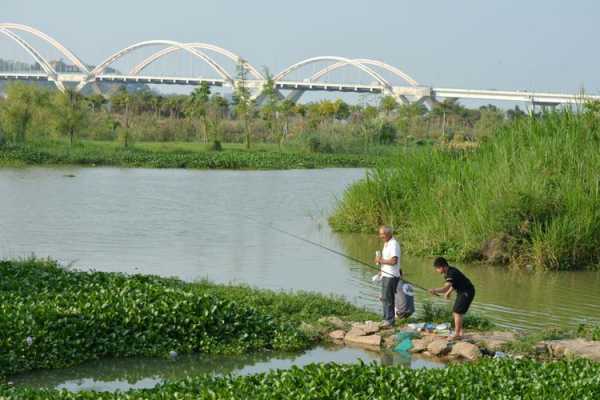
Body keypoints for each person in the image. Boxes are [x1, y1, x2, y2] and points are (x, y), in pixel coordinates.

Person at [428, 257, 475, 339]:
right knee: (456, 312)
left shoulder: (451, 273)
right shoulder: (448, 272)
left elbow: (445, 288)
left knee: (457, 312)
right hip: (462, 291)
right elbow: (454, 284)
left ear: (442, 267)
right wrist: (448, 292)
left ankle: (457, 334)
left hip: (467, 292)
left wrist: (434, 290)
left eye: (437, 268)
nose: (437, 270)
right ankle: (460, 332)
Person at [374, 226, 401, 327]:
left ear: (389, 234)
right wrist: (381, 271)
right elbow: (386, 259)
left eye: (382, 234)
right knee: (384, 298)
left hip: (391, 276)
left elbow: (394, 261)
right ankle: (386, 318)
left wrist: (380, 260)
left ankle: (390, 321)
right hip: (385, 274)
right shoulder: (386, 243)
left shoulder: (393, 244)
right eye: (380, 234)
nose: (381, 236)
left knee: (388, 298)